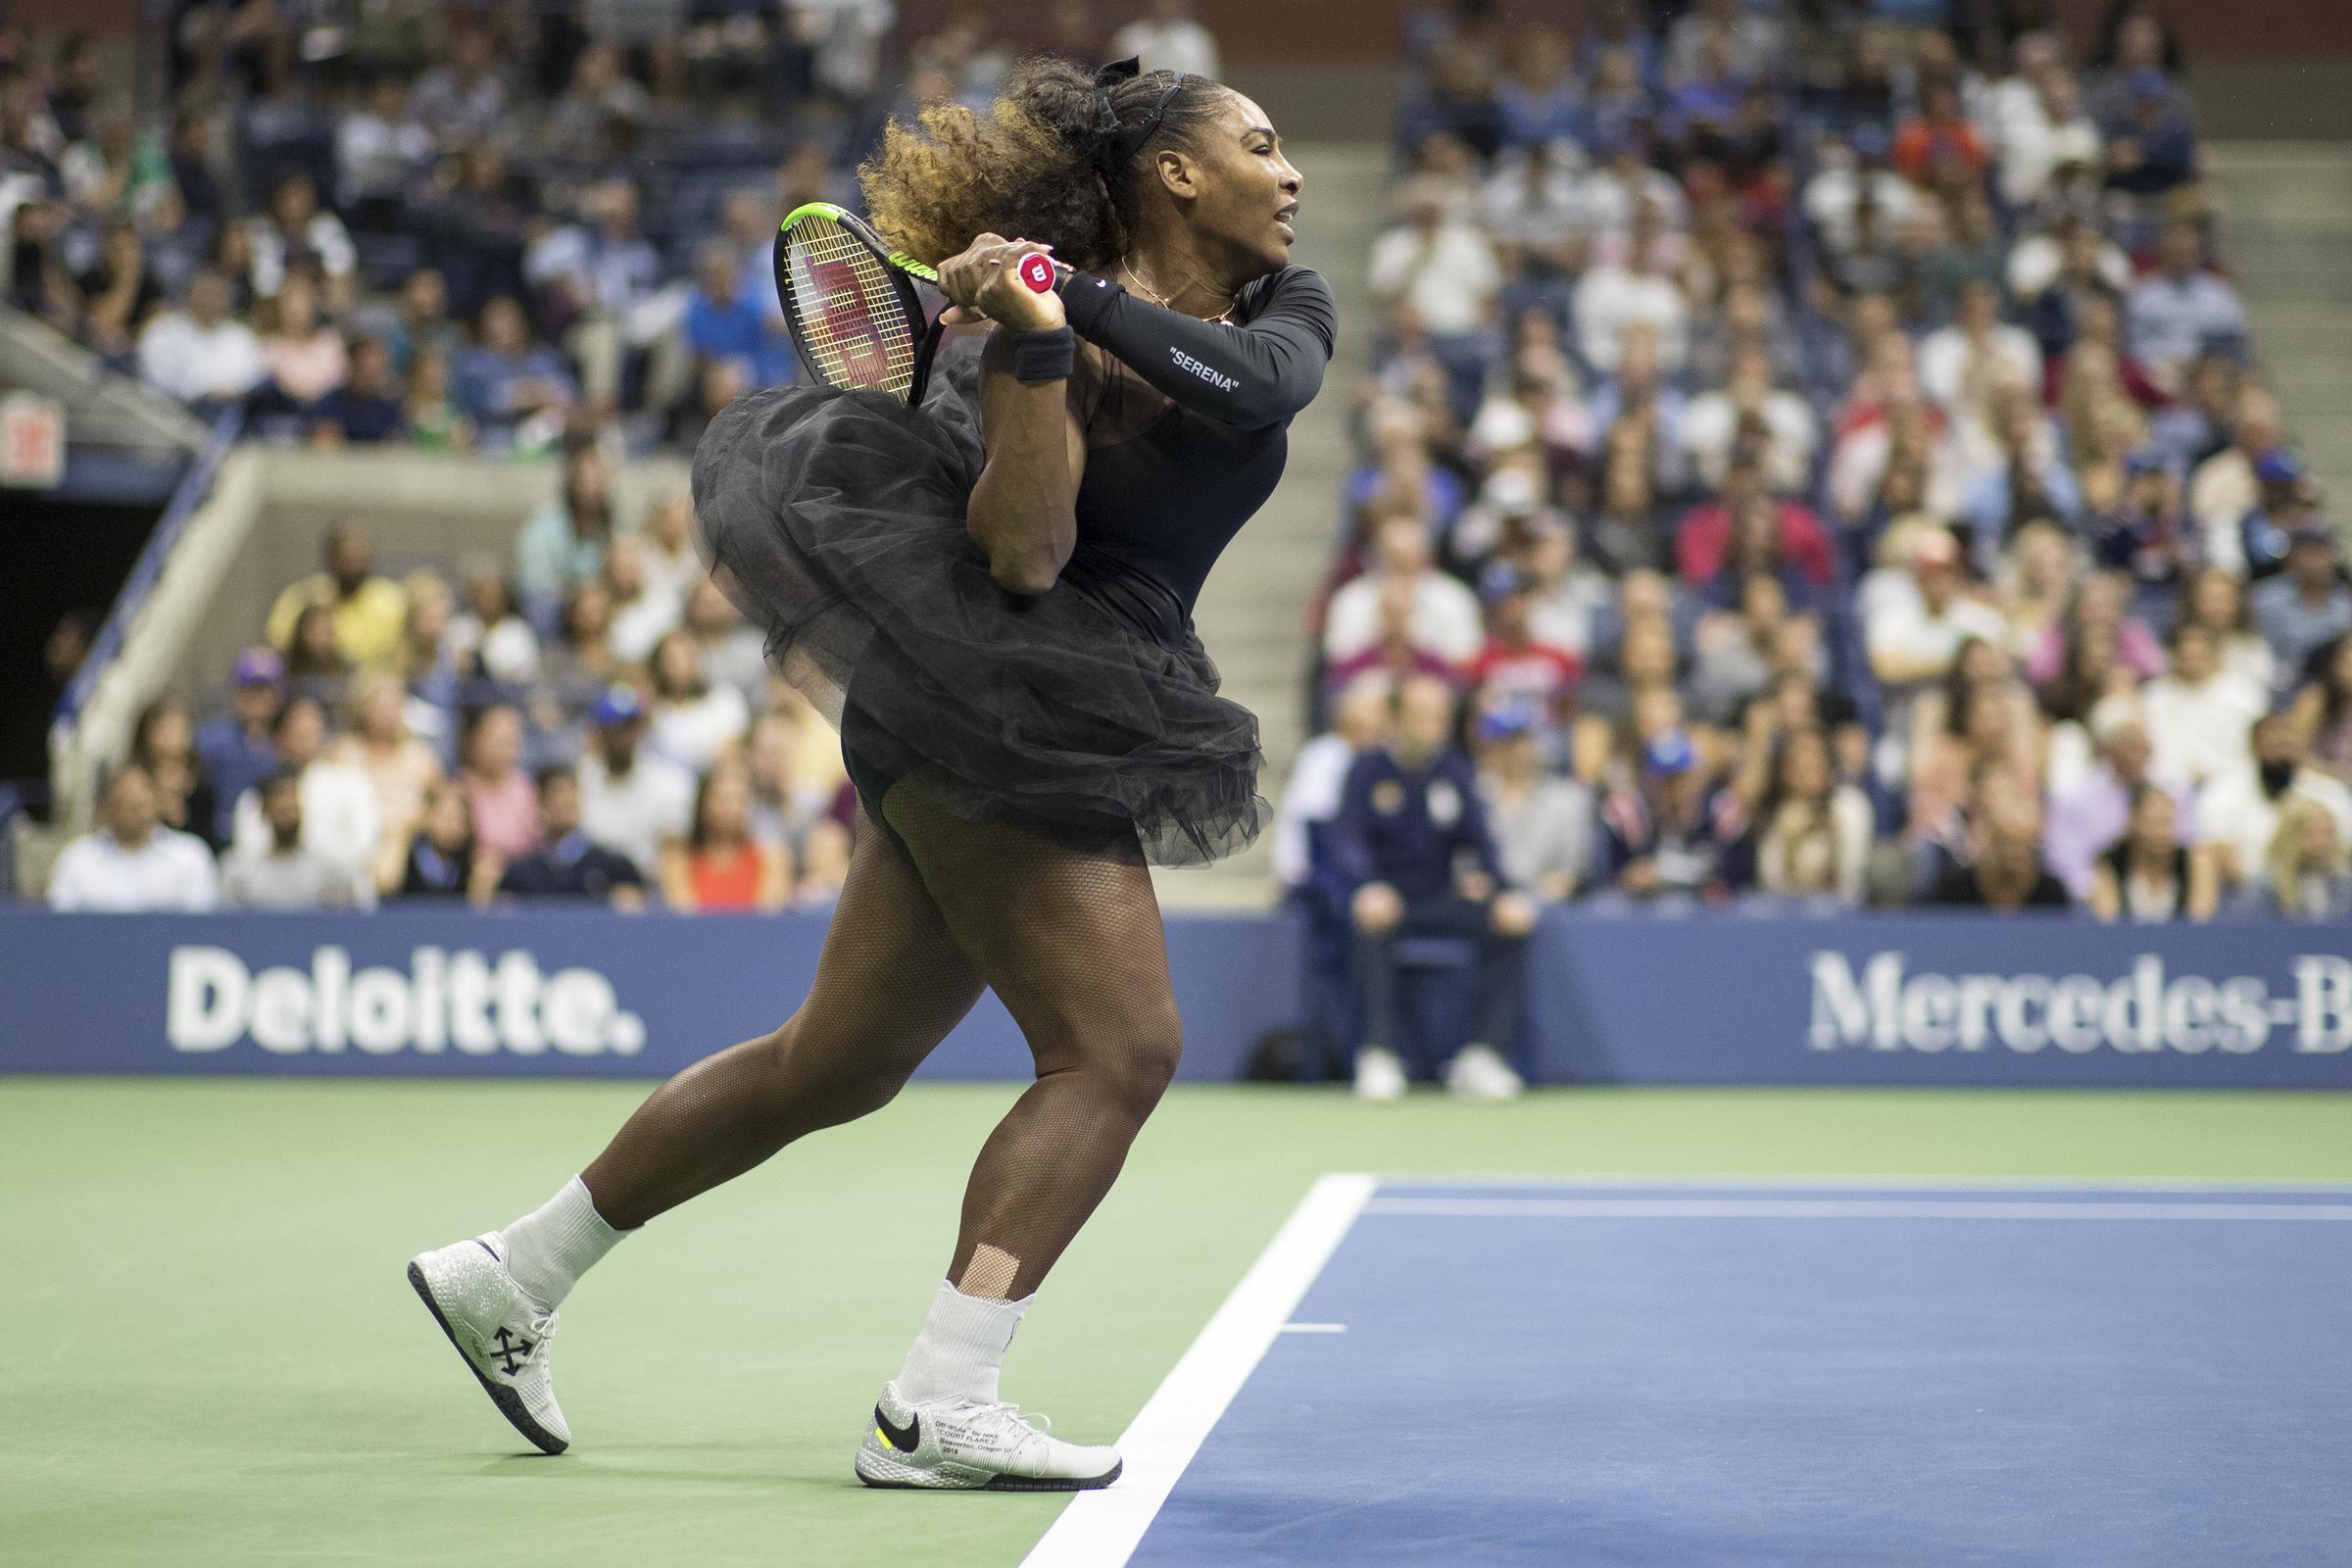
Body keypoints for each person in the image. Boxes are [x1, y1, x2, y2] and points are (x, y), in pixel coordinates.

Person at [408, 54, 1331, 1493]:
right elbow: (1026, 554)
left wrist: (1061, 297)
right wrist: (1028, 345)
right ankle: (937, 1403)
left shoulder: (1285, 307)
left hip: (1036, 696)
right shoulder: (1022, 330)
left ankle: (510, 1272)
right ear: (1176, 173)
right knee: (1119, 1050)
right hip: (1005, 688)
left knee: (828, 1065)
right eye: (1261, 146)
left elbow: (1268, 388)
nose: (1290, 176)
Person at [1330, 676, 1533, 1102]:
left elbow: (1481, 841)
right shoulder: (1366, 770)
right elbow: (1347, 840)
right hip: (1387, 898)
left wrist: (1504, 891)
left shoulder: (1454, 769)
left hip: (1440, 896)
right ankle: (1379, 1054)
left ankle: (1483, 1056)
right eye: (1422, 717)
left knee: (1510, 924)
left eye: (1441, 718)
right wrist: (1367, 886)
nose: (1433, 728)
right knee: (1373, 922)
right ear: (1396, 719)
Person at [227, 697, 383, 889]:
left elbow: (363, 844)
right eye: (297, 730)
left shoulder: (351, 783)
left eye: (311, 730)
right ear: (280, 735)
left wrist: (320, 870)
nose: (305, 737)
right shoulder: (255, 795)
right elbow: (248, 850)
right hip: (269, 893)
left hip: (336, 895)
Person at [47, 765, 220, 911]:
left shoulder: (189, 856)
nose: (139, 814)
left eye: (142, 804)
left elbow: (201, 925)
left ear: (157, 802)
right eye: (128, 805)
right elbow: (61, 925)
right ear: (106, 809)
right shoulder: (78, 859)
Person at [575, 685, 695, 879]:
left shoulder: (669, 784)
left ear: (641, 729)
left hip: (649, 891)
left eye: (627, 726)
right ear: (598, 731)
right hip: (588, 887)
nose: (619, 735)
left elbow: (673, 856)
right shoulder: (579, 780)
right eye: (611, 727)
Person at [265, 522, 410, 674]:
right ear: (331, 558)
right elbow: (278, 648)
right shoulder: (304, 598)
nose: (352, 568)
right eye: (346, 560)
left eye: (358, 559)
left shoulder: (392, 600)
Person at [497, 768, 649, 908]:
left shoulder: (614, 867)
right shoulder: (519, 873)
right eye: (557, 793)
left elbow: (636, 909)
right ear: (540, 805)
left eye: (572, 792)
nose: (567, 800)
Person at [220, 771, 368, 909]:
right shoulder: (240, 870)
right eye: (280, 800)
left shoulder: (331, 868)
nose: (288, 806)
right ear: (264, 809)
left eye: (293, 799)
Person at [660, 761, 792, 912]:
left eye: (741, 800)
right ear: (703, 804)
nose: (734, 808)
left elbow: (767, 920)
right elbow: (685, 919)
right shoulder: (678, 861)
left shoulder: (772, 859)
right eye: (724, 800)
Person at [1926, 790, 2071, 909]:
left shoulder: (2052, 896)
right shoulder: (1952, 893)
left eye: (2019, 845)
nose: (2011, 855)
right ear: (1987, 844)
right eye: (2003, 843)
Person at [2088, 784, 2214, 922]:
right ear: (2133, 822)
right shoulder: (2109, 863)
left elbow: (2201, 923)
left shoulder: (2194, 861)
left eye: (2168, 822)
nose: (2162, 833)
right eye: (2154, 823)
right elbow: (2107, 922)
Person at [197, 649, 287, 837]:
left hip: (273, 838)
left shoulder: (285, 738)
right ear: (237, 692)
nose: (258, 698)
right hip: (222, 834)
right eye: (250, 690)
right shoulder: (213, 738)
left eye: (265, 690)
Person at [394, 779, 500, 905]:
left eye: (461, 819)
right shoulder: (407, 854)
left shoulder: (472, 862)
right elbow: (388, 886)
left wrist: (481, 886)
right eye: (446, 817)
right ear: (426, 816)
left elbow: (477, 910)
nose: (453, 826)